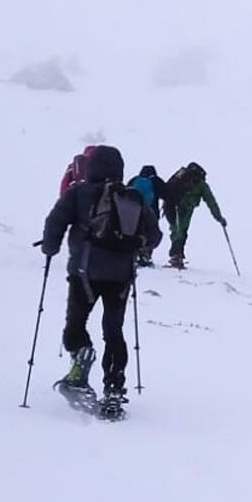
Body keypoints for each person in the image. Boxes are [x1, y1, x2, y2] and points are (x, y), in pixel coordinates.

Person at [39, 144, 159, 418]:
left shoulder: (78, 192)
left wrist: (50, 247)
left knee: (75, 326)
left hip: (85, 273)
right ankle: (114, 391)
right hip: (121, 278)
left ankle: (82, 357)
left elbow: (55, 222)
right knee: (114, 332)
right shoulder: (132, 197)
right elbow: (154, 237)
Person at [160, 161, 225, 269]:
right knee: (180, 230)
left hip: (173, 205)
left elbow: (168, 187)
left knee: (177, 230)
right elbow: (211, 201)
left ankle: (176, 256)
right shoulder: (202, 185)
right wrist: (218, 217)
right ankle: (177, 256)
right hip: (181, 206)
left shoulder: (181, 176)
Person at [128, 164, 164, 267]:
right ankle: (145, 256)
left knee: (135, 232)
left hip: (133, 211)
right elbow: (165, 193)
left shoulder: (134, 180)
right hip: (151, 212)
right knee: (150, 234)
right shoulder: (155, 181)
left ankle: (135, 255)